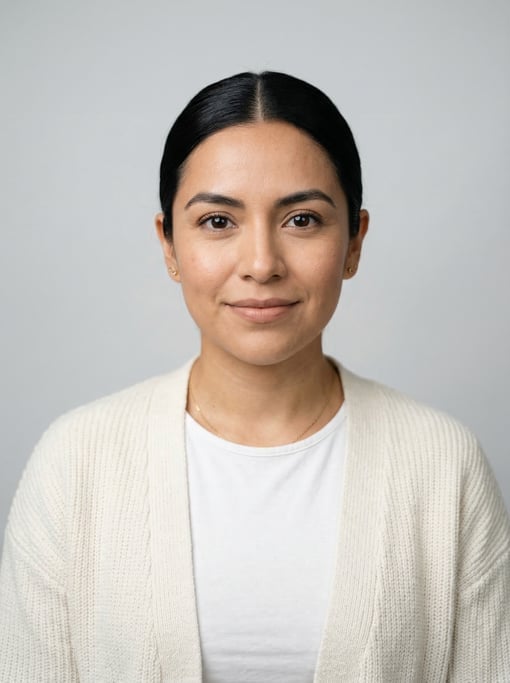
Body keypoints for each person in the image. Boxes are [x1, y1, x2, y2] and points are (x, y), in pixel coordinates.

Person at [0, 71, 509, 682]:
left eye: (302, 220)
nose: (262, 264)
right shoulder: (75, 464)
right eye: (218, 222)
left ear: (354, 242)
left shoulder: (442, 465)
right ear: (169, 245)